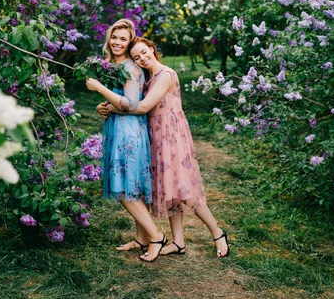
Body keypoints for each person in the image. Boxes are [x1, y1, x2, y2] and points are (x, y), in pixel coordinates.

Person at [87, 37, 230, 258]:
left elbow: (142, 107)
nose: (142, 58)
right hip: (154, 135)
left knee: (185, 189)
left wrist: (112, 107)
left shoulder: (166, 75)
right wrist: (109, 105)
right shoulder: (147, 78)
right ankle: (178, 242)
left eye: (144, 52)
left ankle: (218, 233)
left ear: (153, 49)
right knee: (171, 191)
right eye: (137, 57)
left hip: (171, 137)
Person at [85, 20, 166, 262]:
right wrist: (105, 106)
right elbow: (118, 100)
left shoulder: (131, 69)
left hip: (129, 133)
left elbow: (129, 104)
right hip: (117, 128)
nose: (117, 42)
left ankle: (156, 236)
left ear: (129, 42)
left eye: (123, 39)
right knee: (133, 187)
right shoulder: (111, 66)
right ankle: (141, 239)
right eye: (114, 37)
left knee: (124, 189)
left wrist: (100, 89)